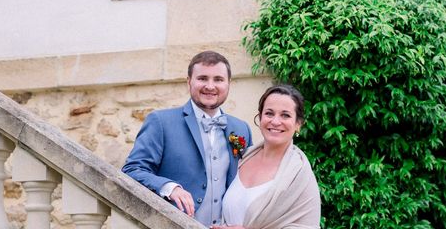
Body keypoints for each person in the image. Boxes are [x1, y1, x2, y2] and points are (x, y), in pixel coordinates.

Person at [122, 50, 253, 227]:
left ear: (229, 84)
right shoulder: (161, 122)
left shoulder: (241, 128)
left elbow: (249, 183)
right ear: (188, 82)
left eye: (218, 80)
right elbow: (132, 169)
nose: (210, 86)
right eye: (202, 78)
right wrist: (169, 187)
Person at [212, 84, 321, 229]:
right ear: (260, 116)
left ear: (298, 124)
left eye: (285, 115)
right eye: (269, 113)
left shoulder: (299, 175)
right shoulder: (244, 157)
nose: (275, 121)